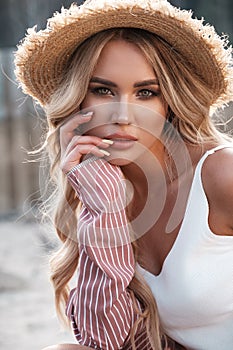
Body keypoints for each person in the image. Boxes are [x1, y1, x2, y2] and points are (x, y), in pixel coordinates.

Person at [14, 0, 233, 349]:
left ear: (170, 104)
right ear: (78, 102)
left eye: (146, 93)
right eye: (103, 90)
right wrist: (104, 208)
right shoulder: (105, 187)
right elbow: (104, 339)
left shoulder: (221, 174)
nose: (124, 116)